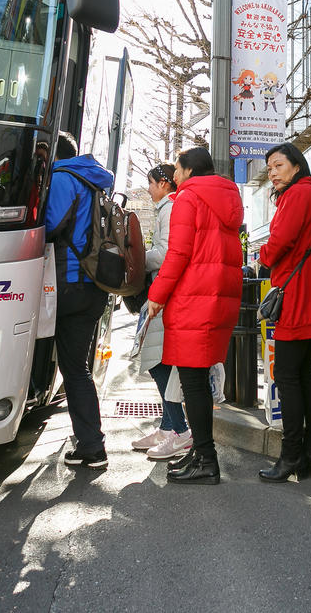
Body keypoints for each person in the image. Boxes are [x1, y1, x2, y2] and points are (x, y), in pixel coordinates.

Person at [147, 147, 244, 485]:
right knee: (197, 381)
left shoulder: (189, 199)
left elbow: (178, 253)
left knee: (193, 384)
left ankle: (207, 459)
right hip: (218, 299)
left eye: (176, 168)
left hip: (194, 300)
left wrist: (156, 295)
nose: (173, 175)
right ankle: (201, 452)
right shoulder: (226, 200)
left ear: (188, 170)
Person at [257, 143, 311, 482]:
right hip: (309, 296)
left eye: (279, 165)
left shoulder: (298, 195)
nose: (273, 172)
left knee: (287, 377)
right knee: (304, 376)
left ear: (296, 166)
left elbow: (278, 243)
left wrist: (262, 252)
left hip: (295, 298)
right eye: (269, 167)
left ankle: (290, 457)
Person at [45, 134, 114, 469]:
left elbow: (51, 225)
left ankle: (91, 445)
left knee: (73, 369)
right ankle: (90, 444)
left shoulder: (61, 178)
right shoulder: (95, 182)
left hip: (66, 284)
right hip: (94, 285)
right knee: (77, 369)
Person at [132, 164, 193, 461]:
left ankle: (179, 430)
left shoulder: (170, 208)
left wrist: (138, 259)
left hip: (165, 294)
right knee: (159, 360)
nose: (149, 188)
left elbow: (168, 253)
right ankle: (168, 427)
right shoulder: (166, 208)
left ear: (165, 183)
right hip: (164, 292)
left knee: (158, 362)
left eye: (152, 183)